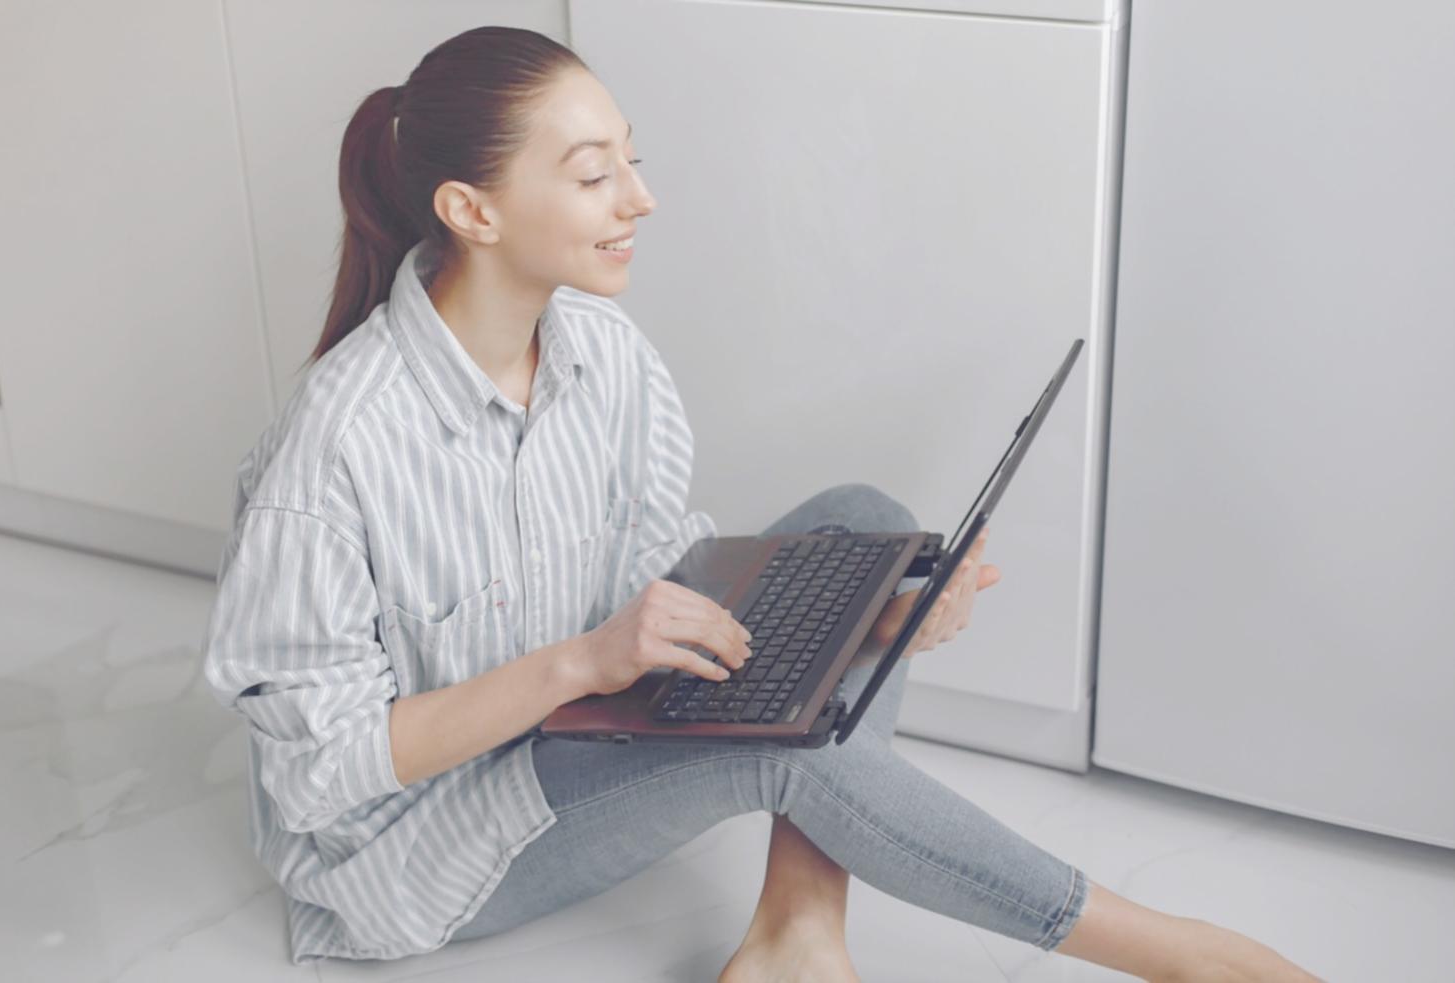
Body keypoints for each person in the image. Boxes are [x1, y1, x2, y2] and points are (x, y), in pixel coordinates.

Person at [201, 25, 1321, 982]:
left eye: (632, 162)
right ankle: (1182, 954)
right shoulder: (335, 447)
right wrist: (583, 662)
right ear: (470, 210)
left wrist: (863, 619)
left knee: (861, 520)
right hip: (418, 845)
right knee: (788, 749)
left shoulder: (599, 349)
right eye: (594, 176)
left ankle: (796, 925)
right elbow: (320, 769)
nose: (640, 198)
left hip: (586, 715)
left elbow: (662, 567)